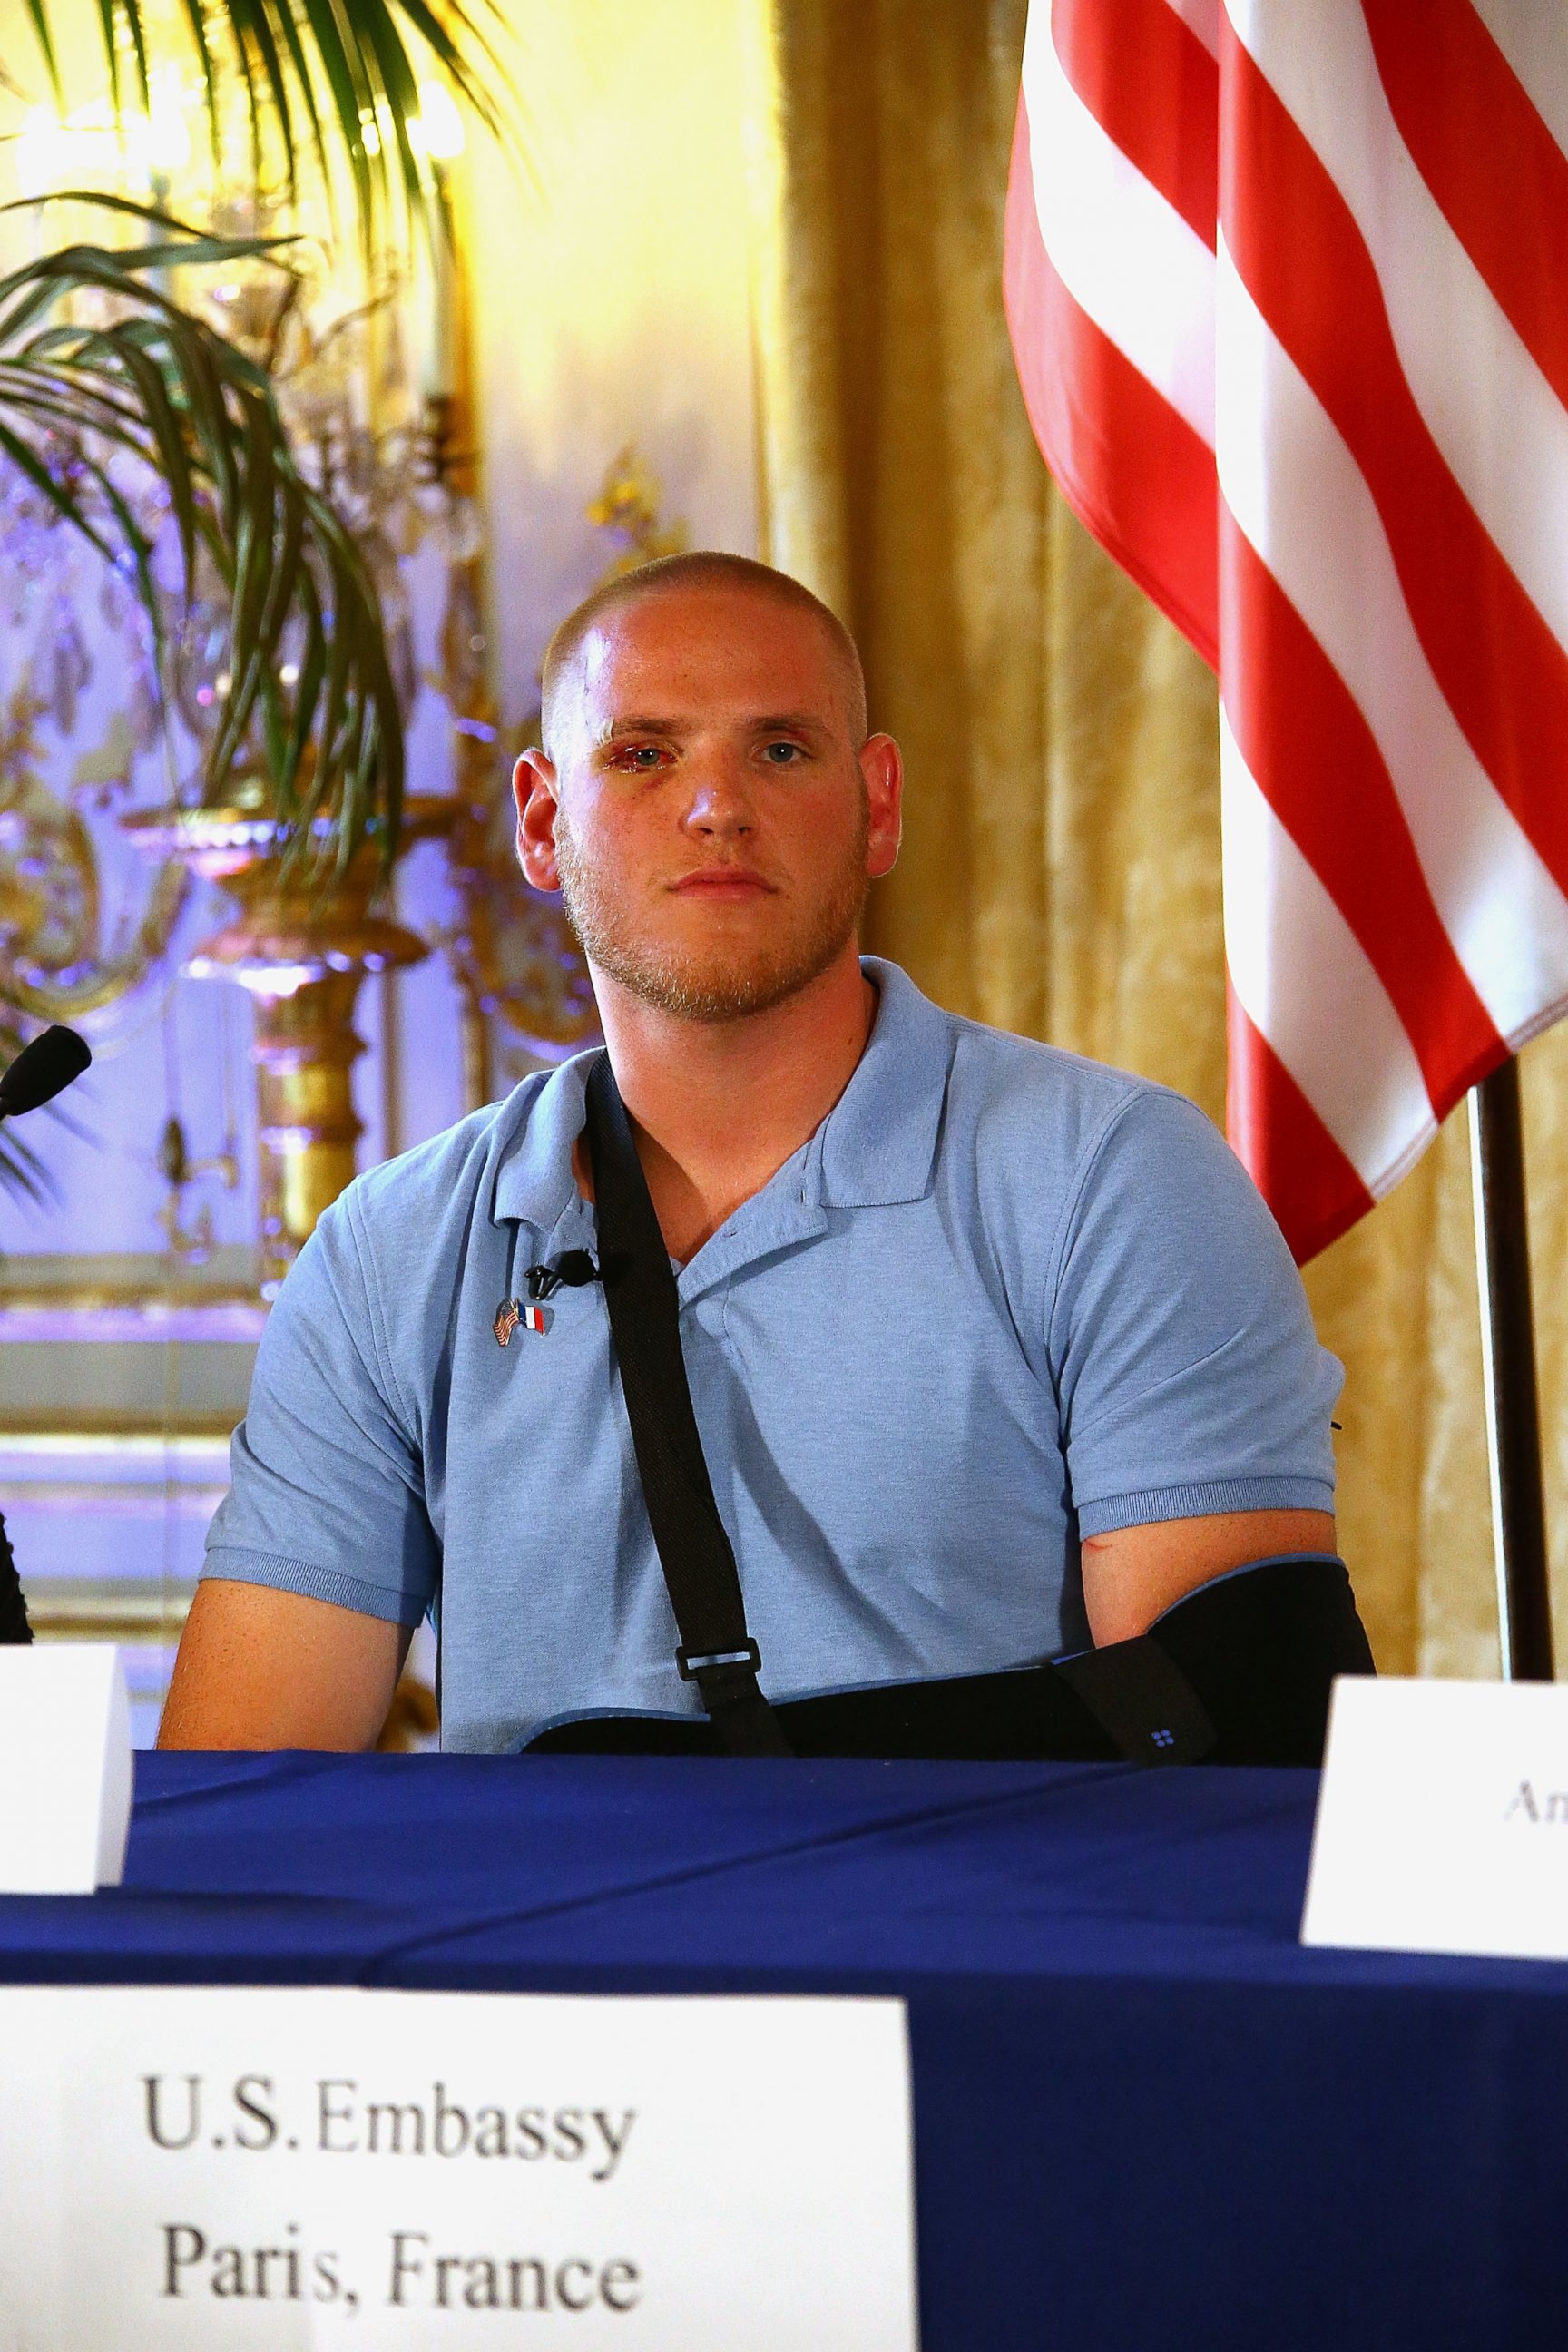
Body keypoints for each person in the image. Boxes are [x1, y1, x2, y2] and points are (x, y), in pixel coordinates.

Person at [160, 552, 1343, 1753]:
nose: (718, 803)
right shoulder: (387, 1251)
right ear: (539, 819)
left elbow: (1223, 1748)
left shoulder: (1117, 1183)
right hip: (537, 1945)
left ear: (879, 805)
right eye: (642, 754)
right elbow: (243, 1793)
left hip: (976, 1943)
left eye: (780, 749)